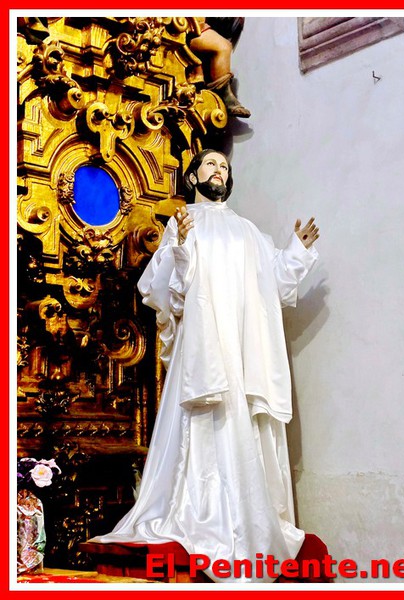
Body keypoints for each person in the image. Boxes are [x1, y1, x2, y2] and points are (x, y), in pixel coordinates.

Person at [90, 149, 319, 583]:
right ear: (194, 176)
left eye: (224, 166)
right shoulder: (183, 222)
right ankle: (199, 514)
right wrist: (179, 247)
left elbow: (273, 284)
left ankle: (251, 519)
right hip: (204, 347)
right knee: (203, 424)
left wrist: (297, 252)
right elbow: (161, 292)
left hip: (245, 349)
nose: (219, 170)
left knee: (243, 422)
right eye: (211, 164)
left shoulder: (249, 231)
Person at [189, 18, 251, 118]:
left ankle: (222, 92)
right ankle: (223, 94)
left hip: (196, 26)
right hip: (187, 28)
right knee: (223, 46)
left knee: (223, 45)